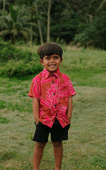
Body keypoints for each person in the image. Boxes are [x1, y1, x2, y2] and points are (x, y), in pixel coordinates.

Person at [28, 42, 76, 170]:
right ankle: (35, 168)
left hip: (60, 119)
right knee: (39, 144)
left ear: (61, 59)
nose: (52, 61)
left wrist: (69, 117)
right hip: (43, 119)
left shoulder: (66, 79)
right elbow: (35, 99)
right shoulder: (37, 80)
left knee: (58, 144)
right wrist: (37, 119)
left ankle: (57, 168)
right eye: (47, 58)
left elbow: (70, 97)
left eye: (55, 57)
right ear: (41, 61)